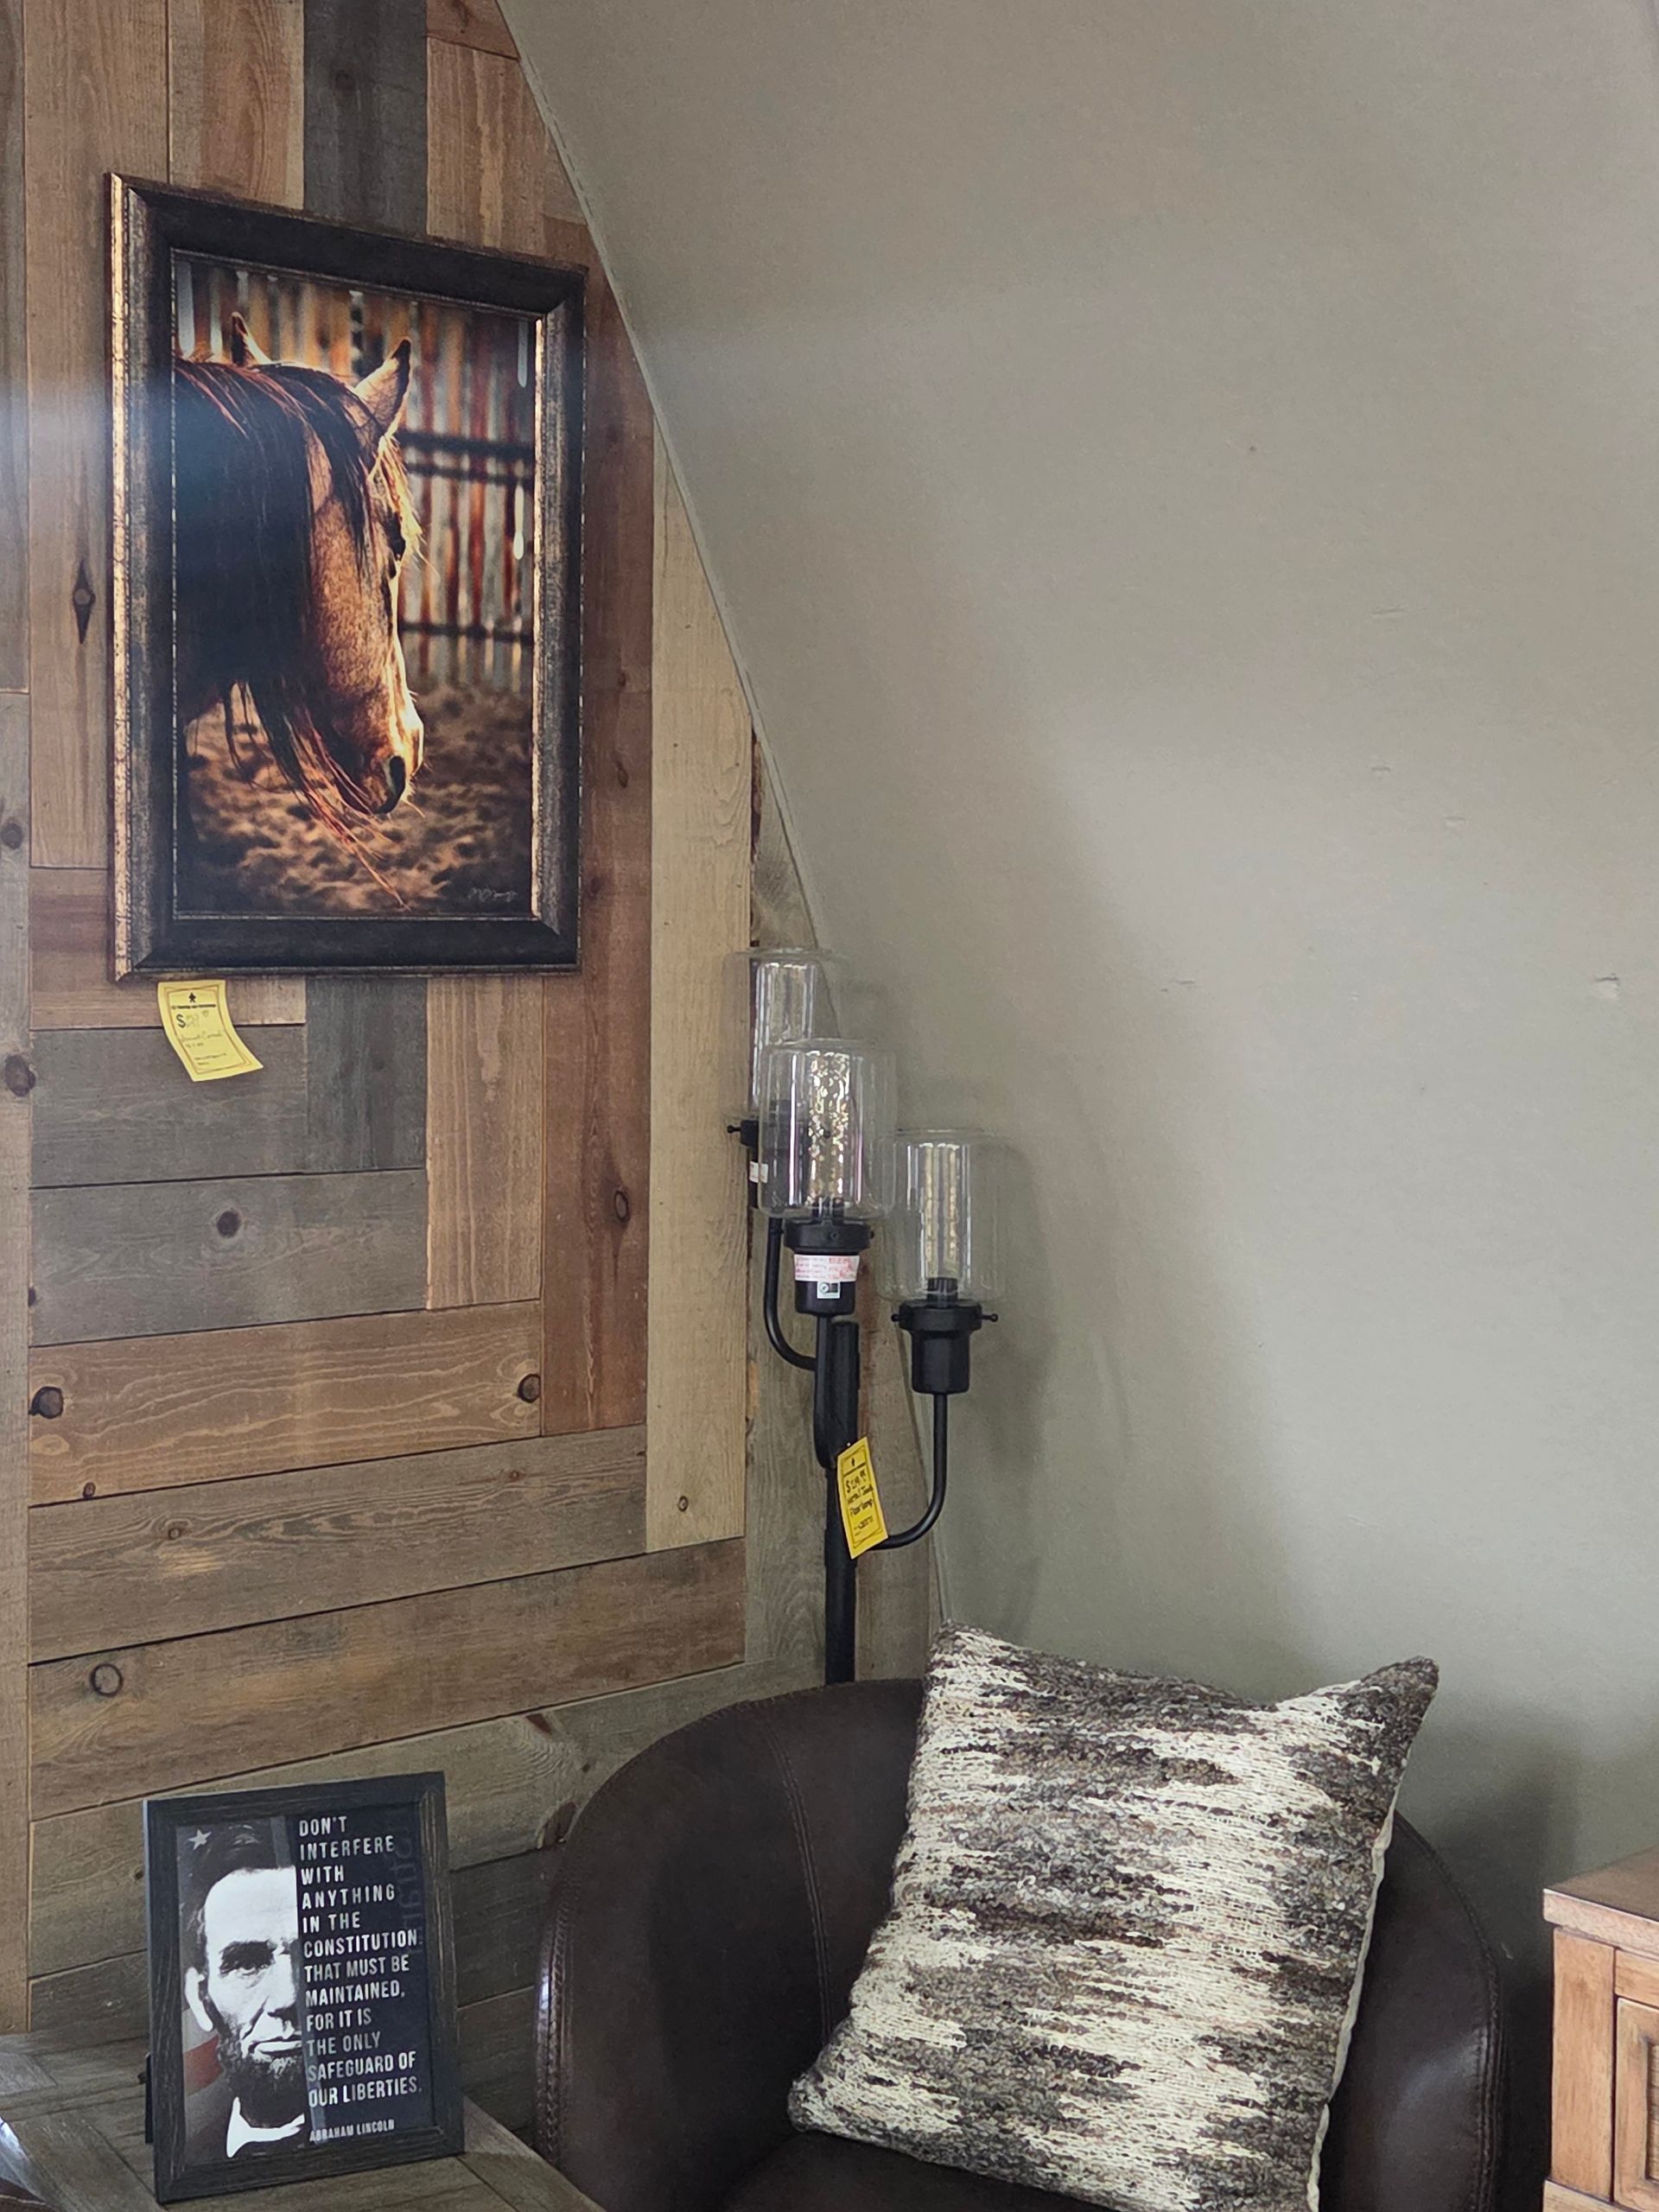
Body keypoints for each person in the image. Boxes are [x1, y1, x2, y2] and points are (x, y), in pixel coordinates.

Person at [181, 1824, 310, 2162]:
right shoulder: (190, 2157)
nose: (288, 1998)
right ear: (200, 1998)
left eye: (309, 1956)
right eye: (246, 1963)